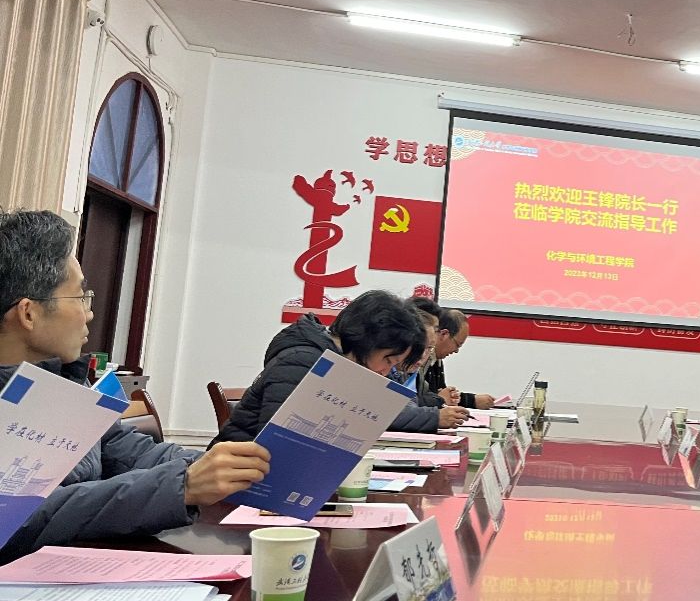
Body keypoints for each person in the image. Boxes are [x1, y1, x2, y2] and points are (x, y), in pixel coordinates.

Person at [0, 209, 271, 560]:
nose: (89, 313)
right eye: (80, 296)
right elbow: (16, 519)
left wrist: (232, 467)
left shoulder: (63, 387)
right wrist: (183, 485)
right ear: (29, 313)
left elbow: (132, 453)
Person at [213, 290, 468, 446]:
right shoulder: (304, 362)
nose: (386, 372)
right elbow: (279, 447)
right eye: (388, 360)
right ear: (368, 340)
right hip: (236, 489)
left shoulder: (343, 367)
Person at [423, 308, 495, 410]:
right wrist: (440, 399)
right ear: (444, 334)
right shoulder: (421, 359)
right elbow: (413, 401)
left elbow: (443, 396)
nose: (456, 351)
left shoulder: (436, 361)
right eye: (457, 344)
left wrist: (467, 399)